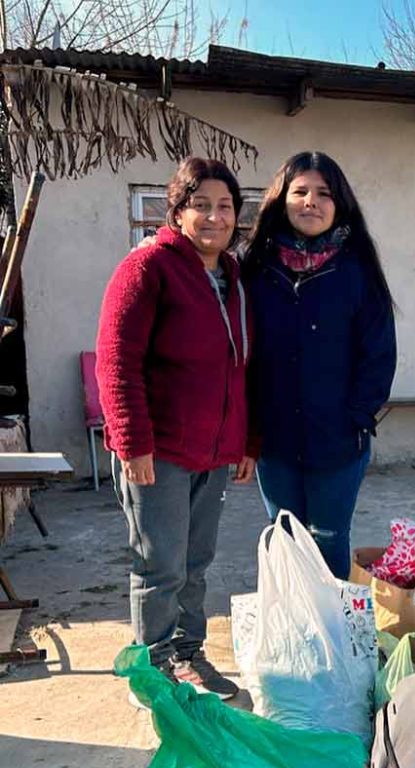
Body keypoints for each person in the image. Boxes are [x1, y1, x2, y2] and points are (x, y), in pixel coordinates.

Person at [96, 156, 256, 702]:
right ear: (178, 211)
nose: (214, 217)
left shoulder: (233, 279)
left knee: (195, 563)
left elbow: (241, 369)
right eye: (201, 205)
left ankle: (189, 653)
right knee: (159, 564)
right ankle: (157, 669)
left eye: (226, 207)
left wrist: (245, 441)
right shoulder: (146, 269)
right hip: (157, 450)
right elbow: (116, 361)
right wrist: (132, 441)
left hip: (211, 453)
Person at [241, 151, 397, 580]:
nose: (311, 201)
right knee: (285, 537)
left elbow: (379, 354)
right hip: (275, 439)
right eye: (301, 191)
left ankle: (331, 636)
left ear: (339, 203)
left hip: (338, 440)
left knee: (328, 538)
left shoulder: (357, 270)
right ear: (281, 200)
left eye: (324, 193)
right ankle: (295, 635)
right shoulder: (255, 267)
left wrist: (356, 417)